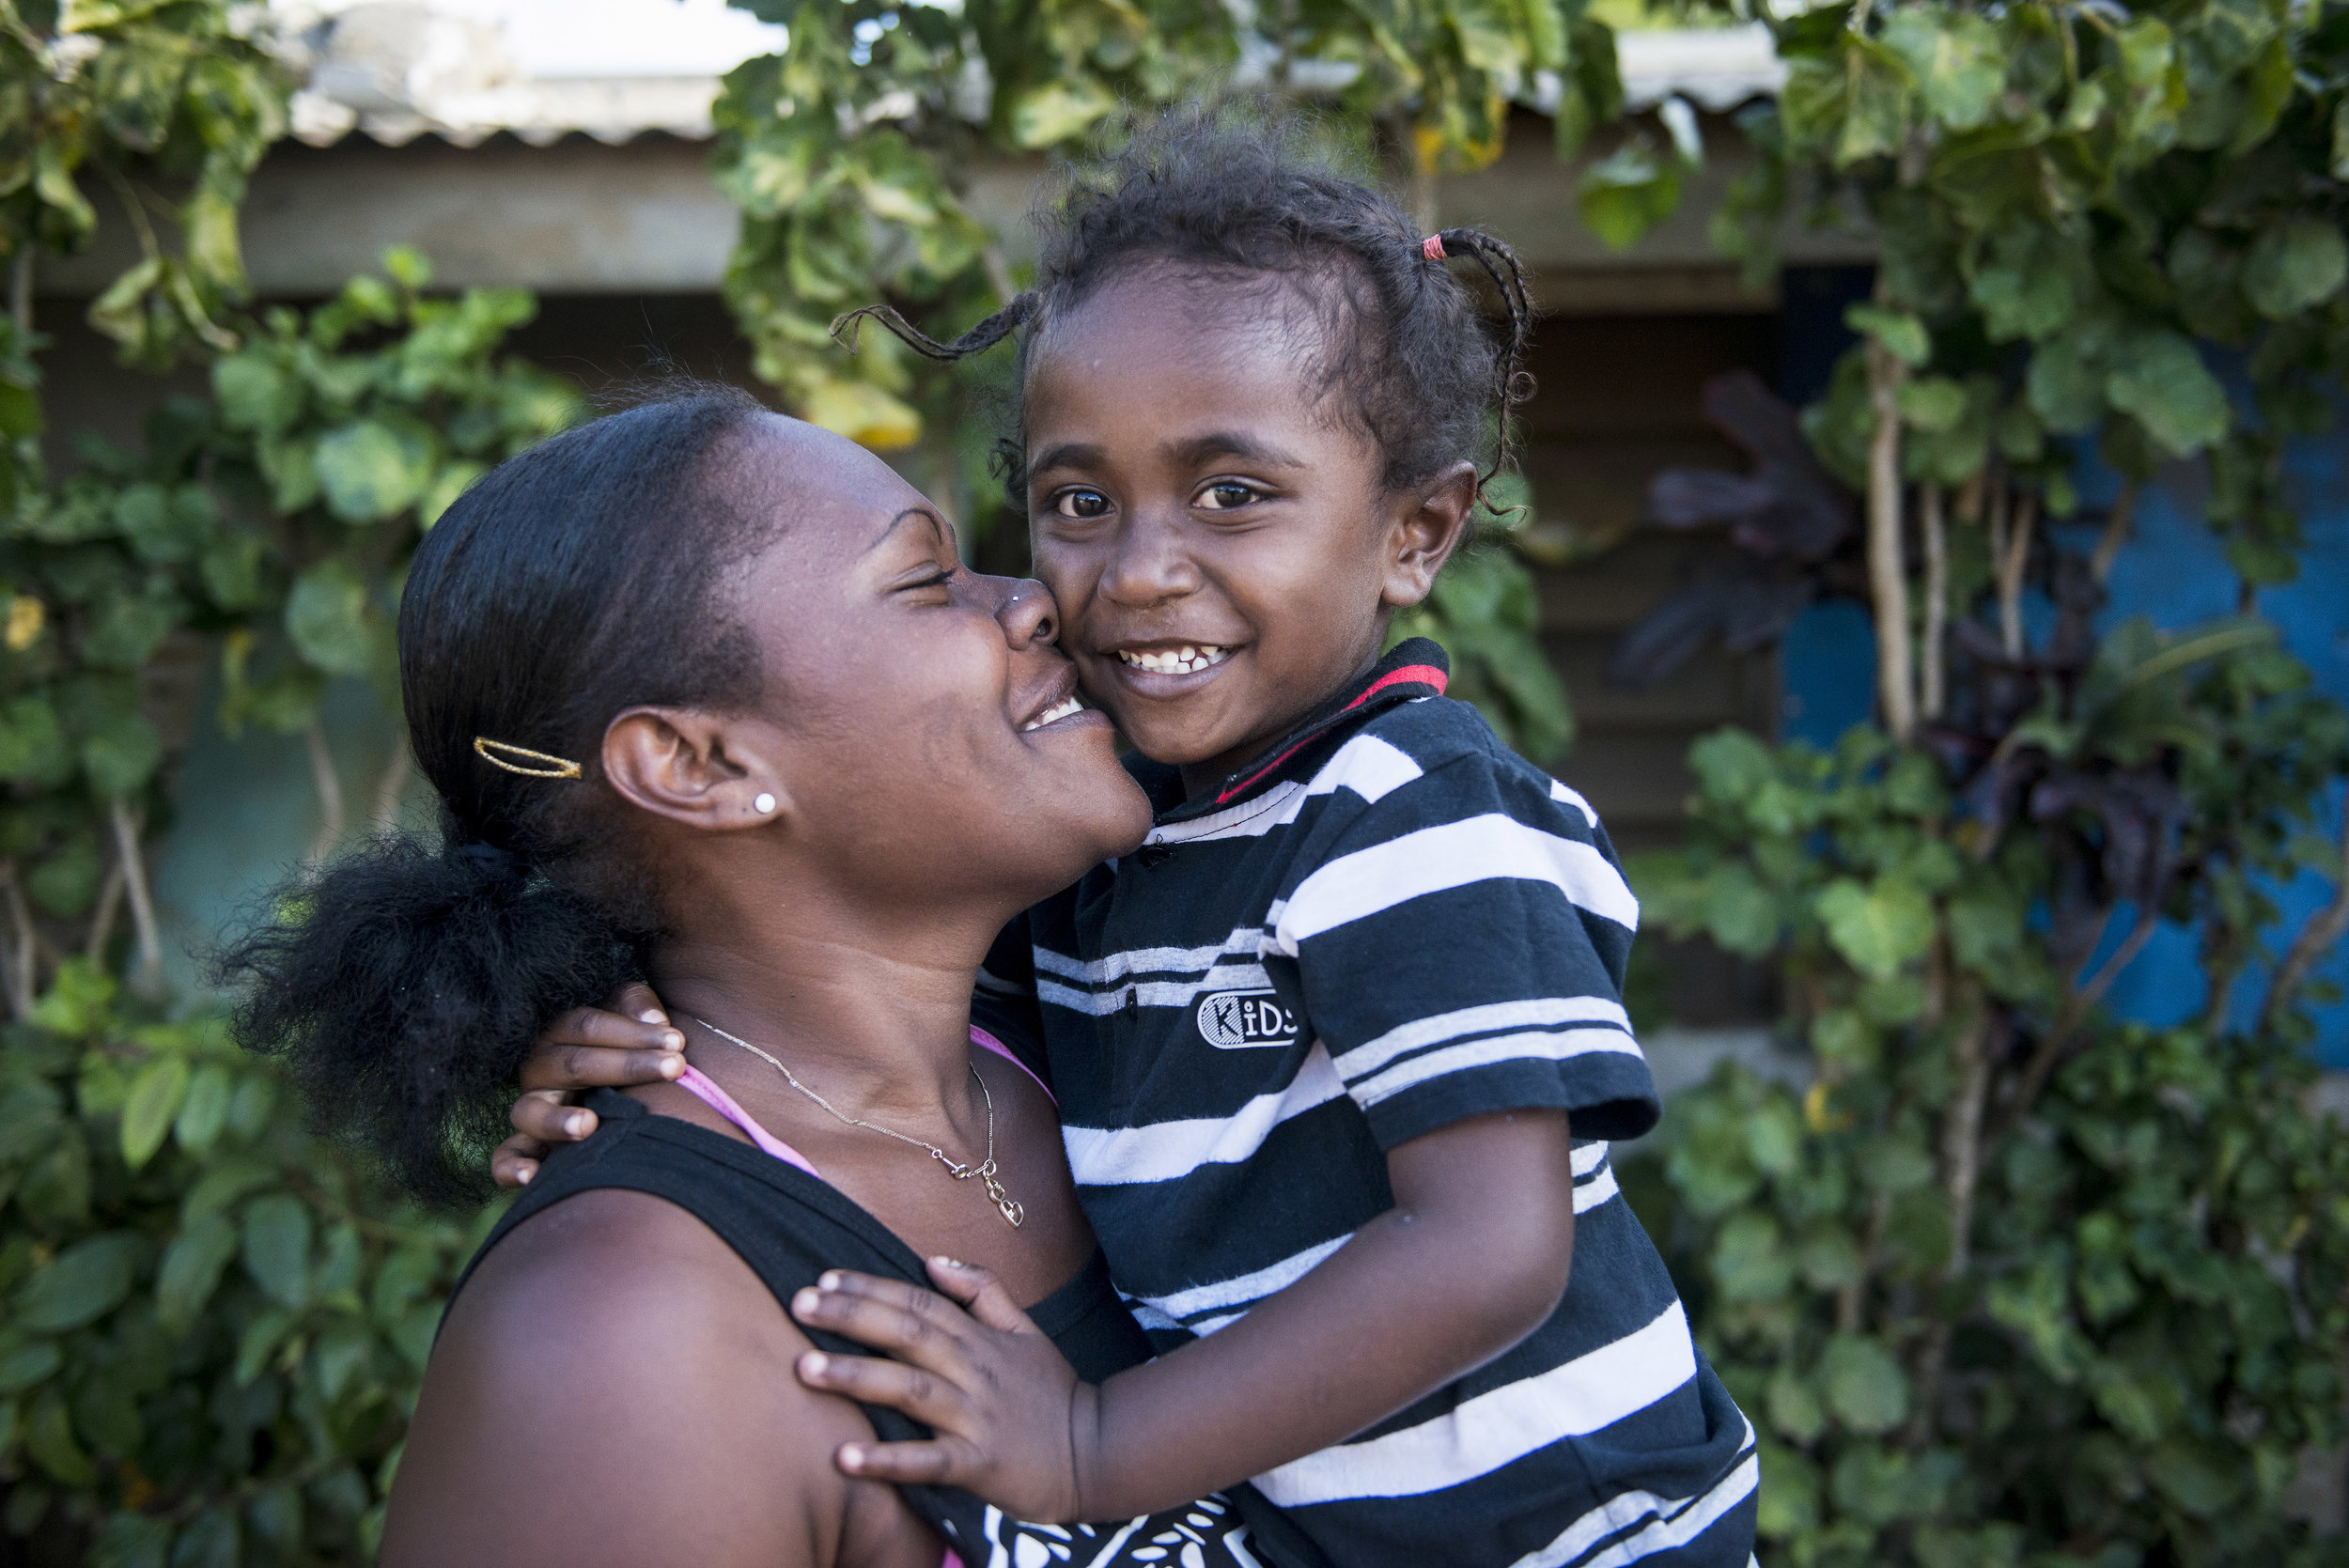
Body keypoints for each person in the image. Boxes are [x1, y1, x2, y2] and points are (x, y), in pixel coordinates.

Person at [500, 118, 1760, 1568]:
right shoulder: (1109, 853)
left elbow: (1492, 1251)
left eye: (1233, 493)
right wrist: (620, 1037)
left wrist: (1095, 1448)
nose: (1137, 573)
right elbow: (834, 992)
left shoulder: (1408, 810)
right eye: (1079, 503)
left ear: (1417, 533)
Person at [221, 387, 1315, 1568]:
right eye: (922, 580)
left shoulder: (1125, 1019)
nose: (1032, 600)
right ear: (700, 763)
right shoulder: (624, 1338)